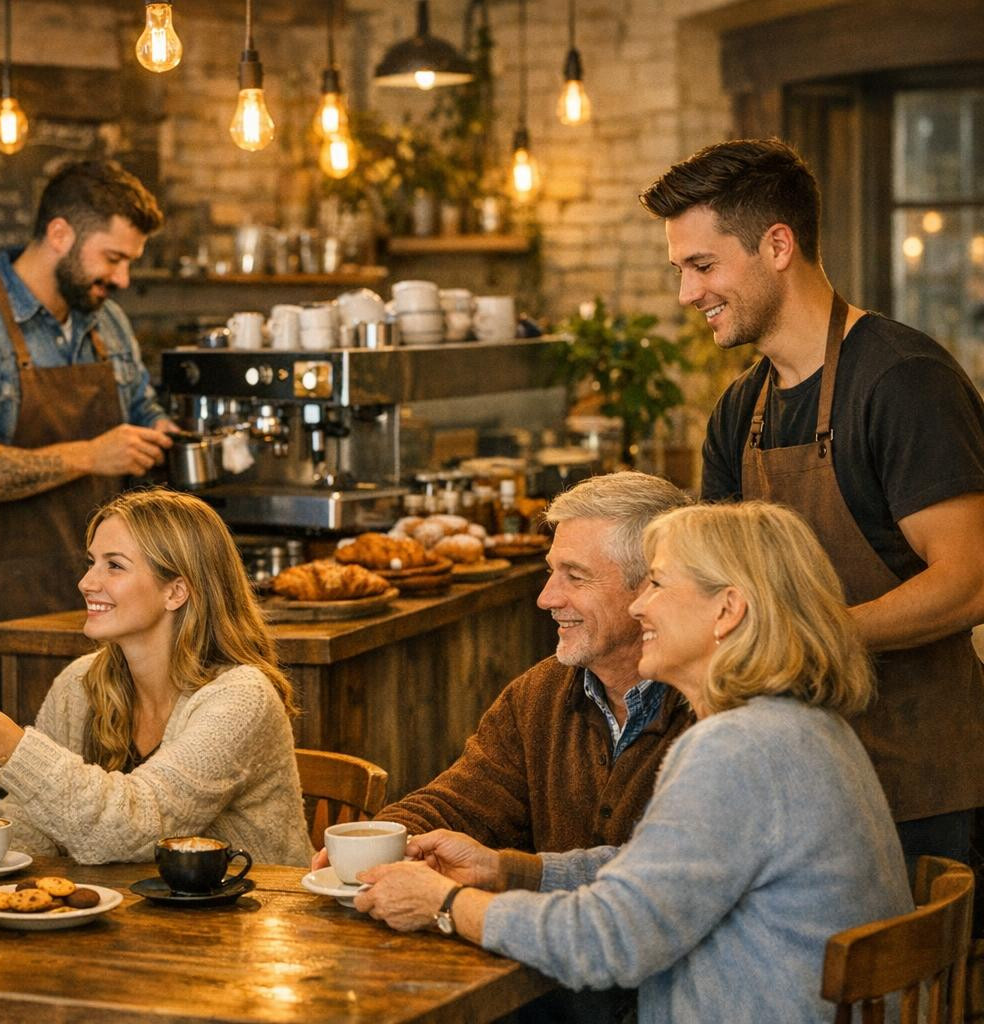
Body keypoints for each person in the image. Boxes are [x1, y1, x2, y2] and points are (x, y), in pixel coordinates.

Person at [355, 502, 913, 1023]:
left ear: (728, 609)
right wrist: (507, 871)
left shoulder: (737, 748)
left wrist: (446, 902)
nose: (641, 603)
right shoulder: (803, 725)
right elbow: (659, 870)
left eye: (659, 584)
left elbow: (607, 943)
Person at [639, 139, 984, 865]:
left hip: (918, 784)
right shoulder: (741, 411)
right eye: (680, 271)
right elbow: (717, 587)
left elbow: (969, 581)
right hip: (788, 778)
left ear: (777, 245)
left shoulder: (903, 381)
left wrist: (805, 638)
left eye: (703, 266)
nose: (687, 294)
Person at [314, 470, 694, 1024]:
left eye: (575, 577)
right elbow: (462, 801)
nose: (546, 598)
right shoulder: (540, 694)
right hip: (547, 994)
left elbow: (649, 893)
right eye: (550, 573)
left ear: (648, 589)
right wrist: (385, 845)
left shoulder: (714, 713)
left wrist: (465, 894)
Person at [0, 159, 177, 815]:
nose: (122, 278)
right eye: (112, 257)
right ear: (60, 234)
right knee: (11, 819)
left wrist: (169, 435)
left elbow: (141, 415)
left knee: (96, 808)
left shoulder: (105, 324)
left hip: (91, 612)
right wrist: (92, 453)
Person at [0, 488, 313, 866]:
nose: (87, 581)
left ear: (175, 591)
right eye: (91, 563)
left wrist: (0, 737)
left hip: (251, 931)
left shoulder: (241, 698)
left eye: (114, 566)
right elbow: (31, 833)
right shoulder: (80, 684)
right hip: (128, 932)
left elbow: (134, 828)